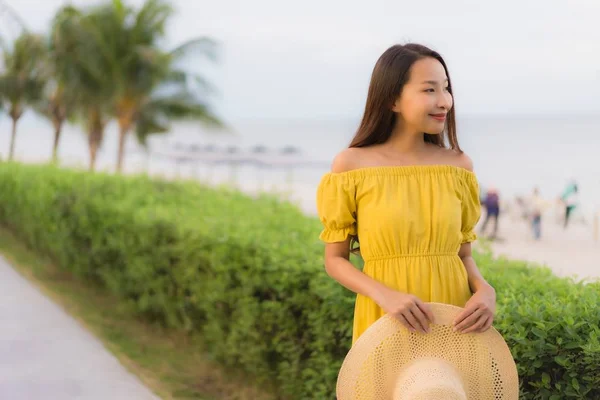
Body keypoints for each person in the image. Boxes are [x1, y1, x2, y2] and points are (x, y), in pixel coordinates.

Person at [316, 43, 496, 346]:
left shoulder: (458, 166)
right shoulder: (351, 165)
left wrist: (485, 291)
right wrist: (384, 295)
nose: (444, 102)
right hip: (385, 318)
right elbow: (335, 260)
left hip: (453, 320)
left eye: (446, 89)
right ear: (392, 100)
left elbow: (463, 255)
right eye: (429, 90)